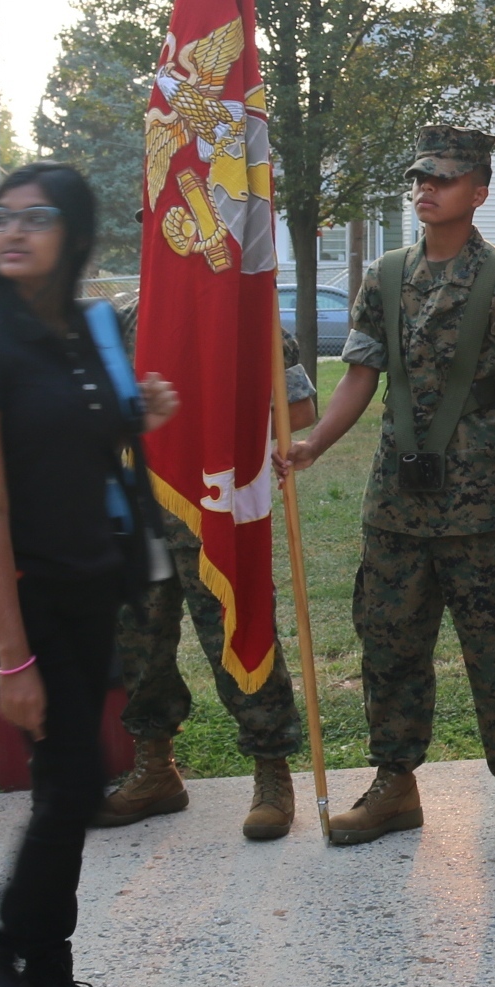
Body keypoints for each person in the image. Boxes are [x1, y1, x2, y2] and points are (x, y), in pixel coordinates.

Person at [0, 163, 179, 987]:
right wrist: (10, 657)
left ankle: (42, 975)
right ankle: (5, 962)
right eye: (0, 219)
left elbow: (89, 435)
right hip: (28, 599)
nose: (12, 232)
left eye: (35, 218)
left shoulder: (82, 332)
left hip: (95, 590)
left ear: (72, 234)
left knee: (70, 790)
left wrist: (140, 412)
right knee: (73, 786)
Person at [279, 125, 495, 850]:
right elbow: (362, 376)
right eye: (418, 178)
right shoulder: (386, 275)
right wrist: (313, 444)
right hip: (398, 502)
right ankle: (394, 784)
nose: (425, 189)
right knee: (390, 646)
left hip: (485, 504)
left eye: (442, 177)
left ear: (479, 191)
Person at [93, 284, 318, 840]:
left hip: (215, 505)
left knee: (235, 633)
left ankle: (271, 771)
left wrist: (220, 439)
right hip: (140, 508)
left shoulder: (240, 312)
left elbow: (299, 406)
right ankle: (156, 768)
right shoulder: (121, 319)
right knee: (139, 639)